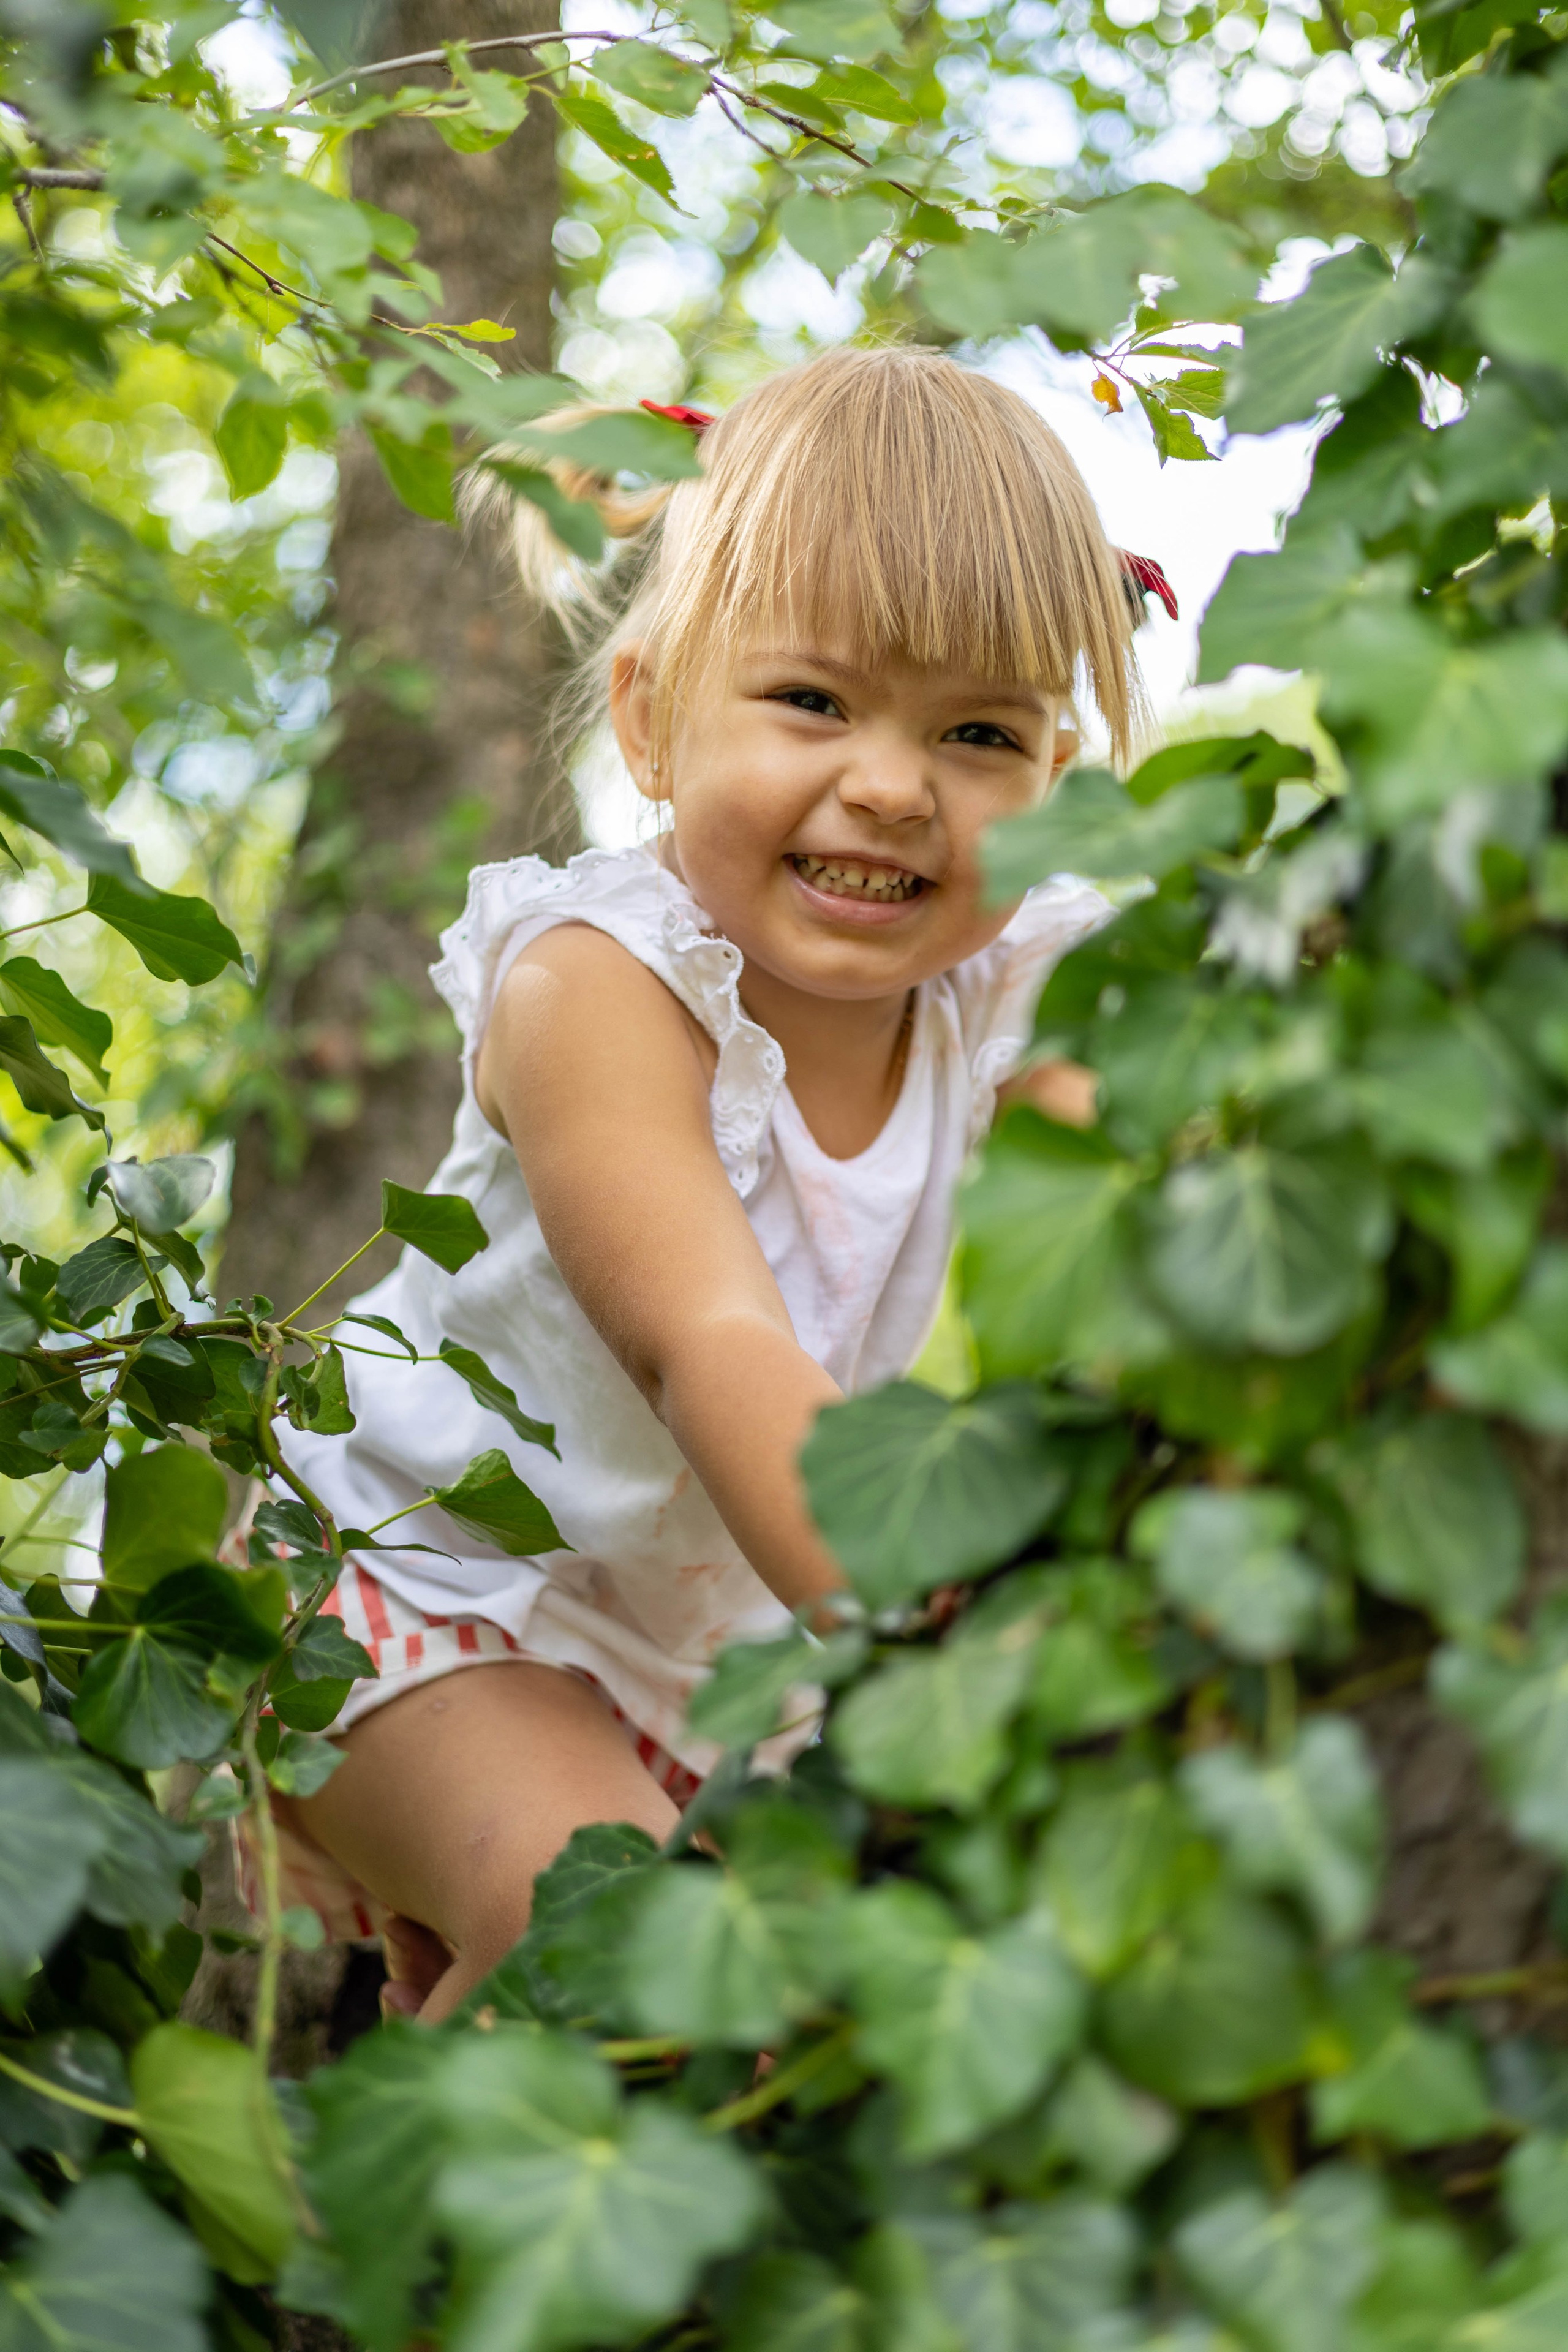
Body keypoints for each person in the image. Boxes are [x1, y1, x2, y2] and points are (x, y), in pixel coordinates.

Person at [255, 344, 1153, 2021]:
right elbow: (709, 1342)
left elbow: (1129, 1219)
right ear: (654, 720)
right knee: (609, 1957)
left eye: (978, 732)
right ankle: (406, 2257)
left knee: (790, 1992)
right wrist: (914, 1628)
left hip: (695, 1660)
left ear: (1050, 788)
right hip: (417, 1581)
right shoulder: (595, 982)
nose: (893, 784)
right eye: (814, 702)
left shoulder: (1011, 983)